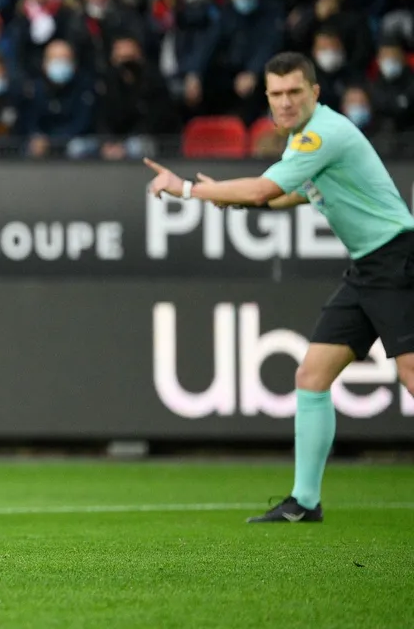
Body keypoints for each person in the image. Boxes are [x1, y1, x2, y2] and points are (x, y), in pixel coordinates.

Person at [144, 52, 414, 523]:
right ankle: (304, 503)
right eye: (277, 94)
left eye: (295, 92)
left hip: (397, 260)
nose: (286, 102)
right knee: (311, 377)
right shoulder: (306, 142)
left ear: (315, 93)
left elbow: (261, 191)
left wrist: (185, 189)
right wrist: (231, 198)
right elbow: (289, 195)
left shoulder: (320, 134)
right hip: (369, 267)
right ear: (267, 98)